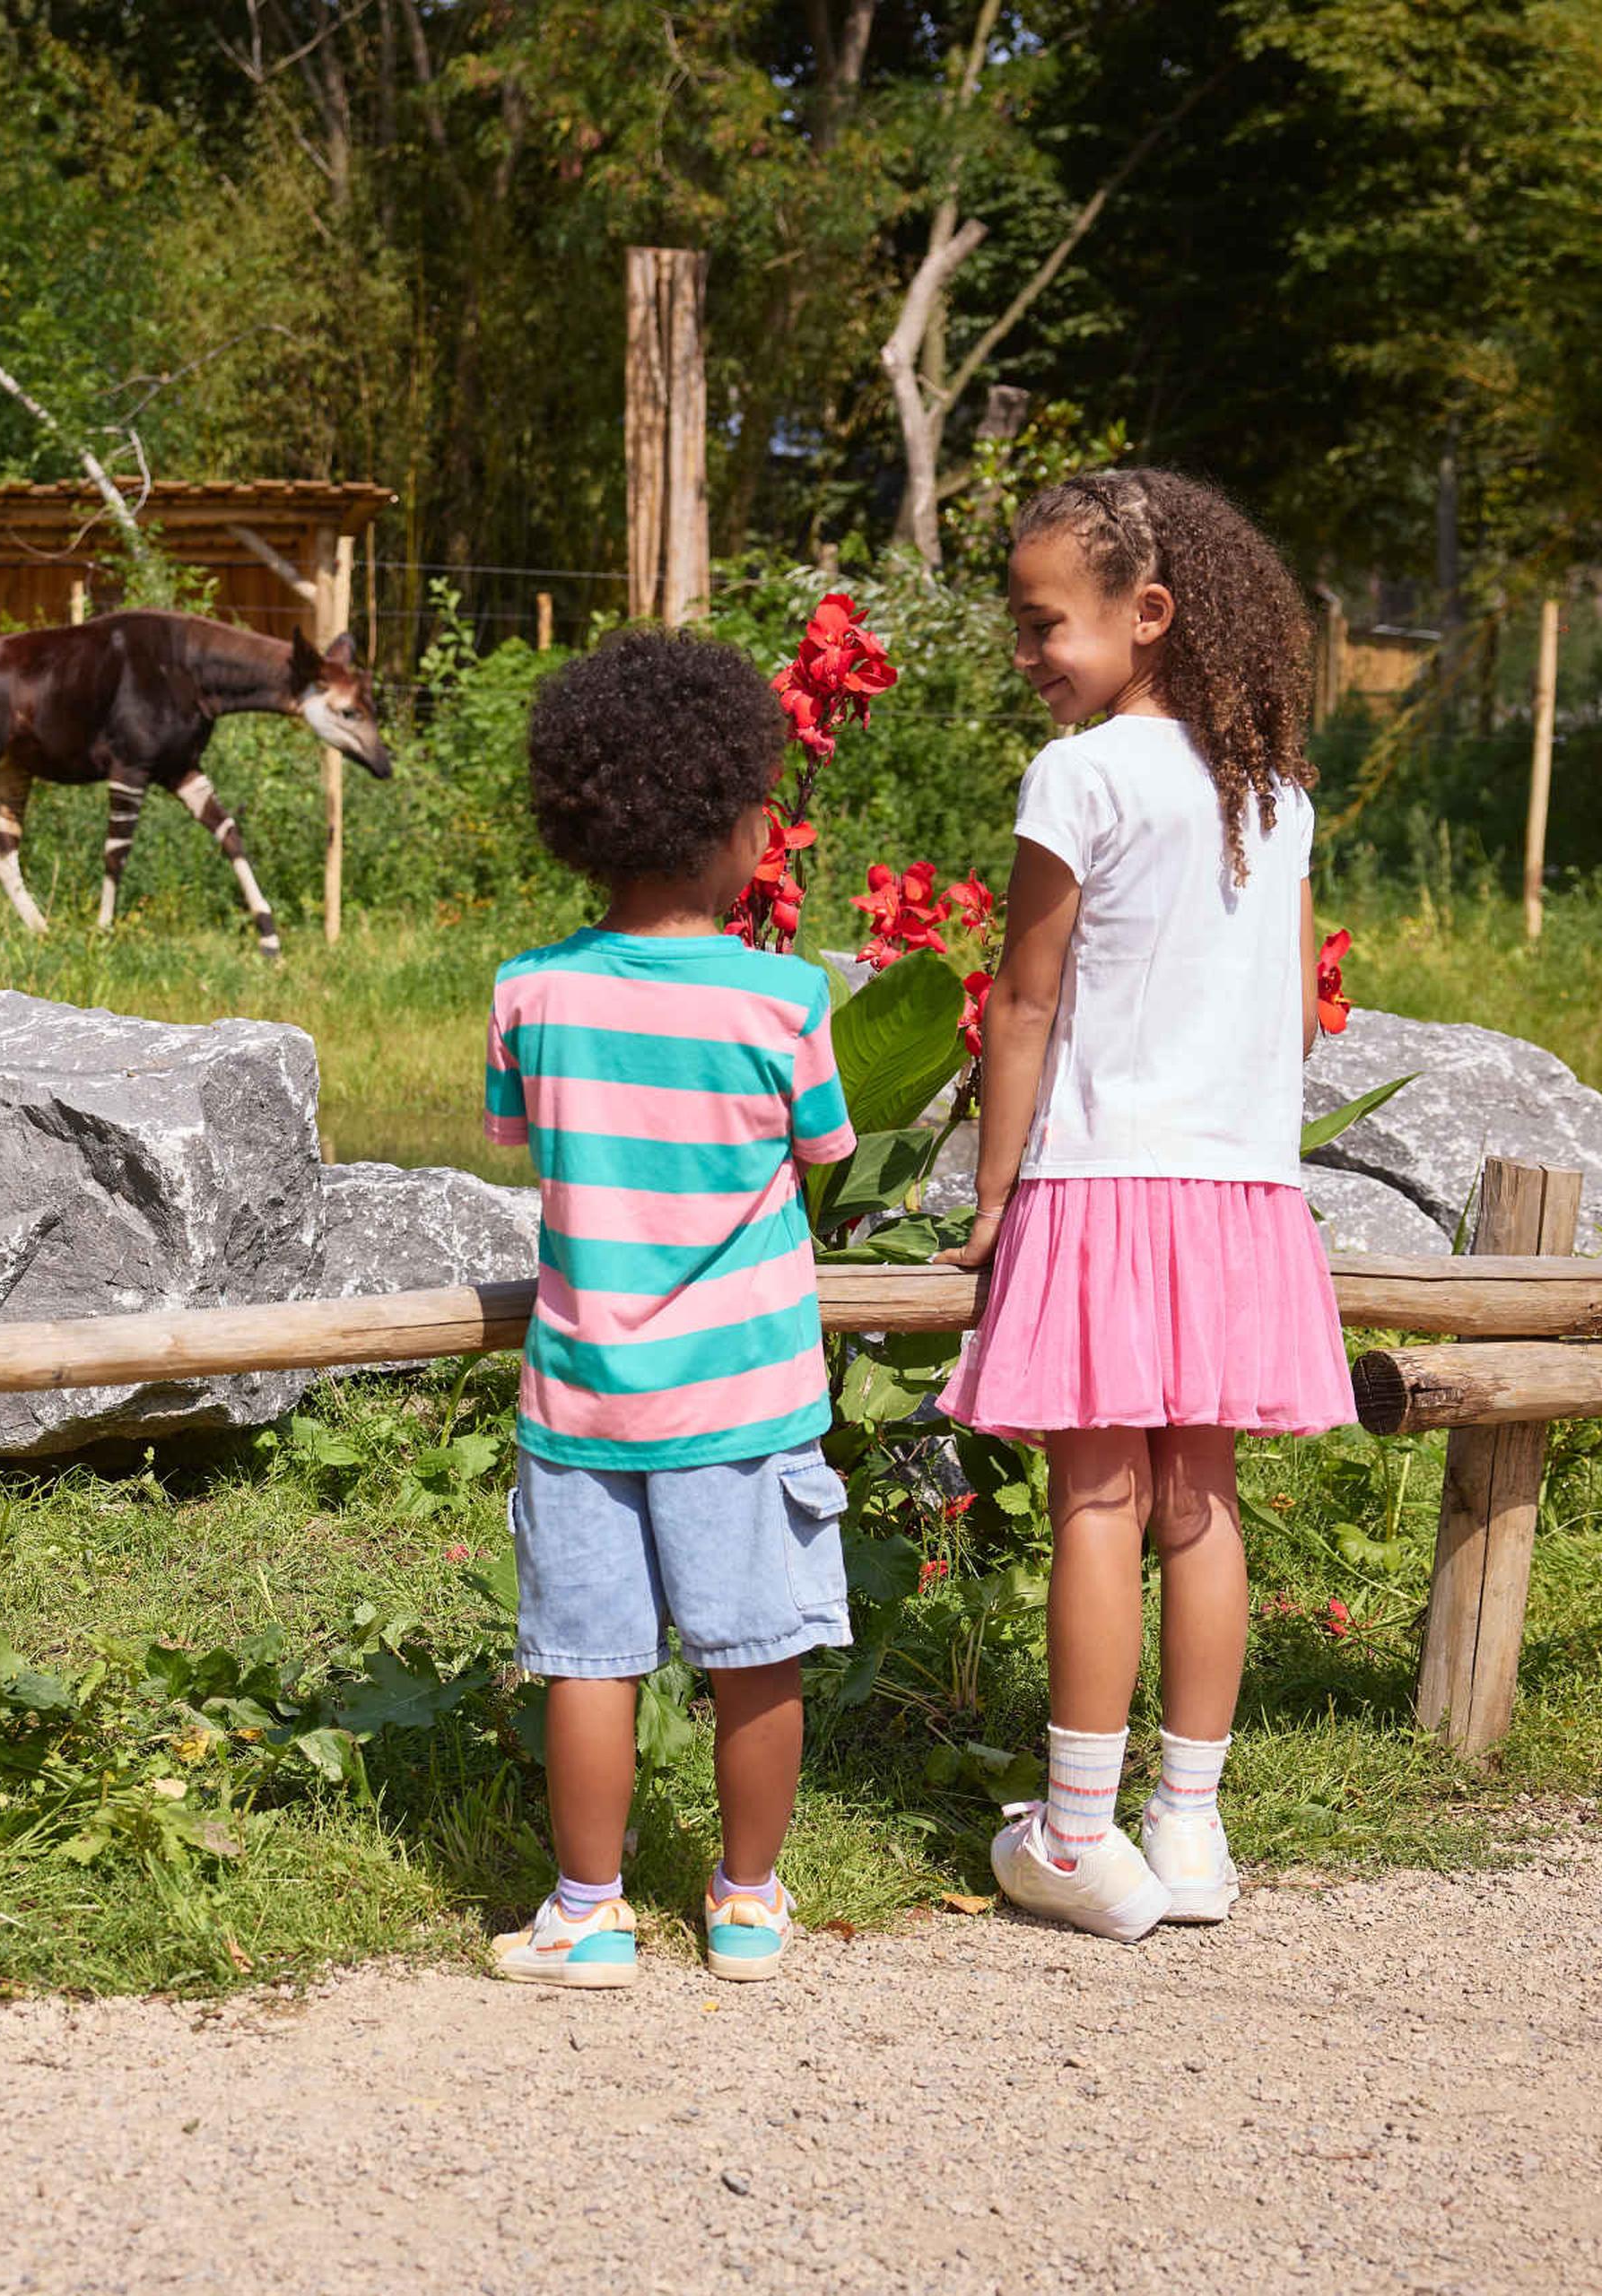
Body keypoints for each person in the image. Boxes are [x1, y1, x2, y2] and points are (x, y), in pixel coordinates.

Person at [932, 467, 1356, 1943]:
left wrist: (992, 1200)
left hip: (1106, 1184)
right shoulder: (1279, 792)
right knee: (1203, 1502)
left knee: (1095, 1501)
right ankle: (1192, 1827)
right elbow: (1301, 1011)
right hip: (1244, 1189)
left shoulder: (1080, 777)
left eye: (1047, 625)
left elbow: (1025, 1002)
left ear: (1148, 614)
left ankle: (1072, 1831)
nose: (1030, 654)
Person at [482, 627, 859, 1988]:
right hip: (749, 1395)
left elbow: (519, 1137)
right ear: (742, 826)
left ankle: (589, 1909)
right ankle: (746, 1902)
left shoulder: (533, 992)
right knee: (759, 1656)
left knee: (591, 1662)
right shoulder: (785, 1000)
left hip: (580, 1397)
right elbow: (827, 1153)